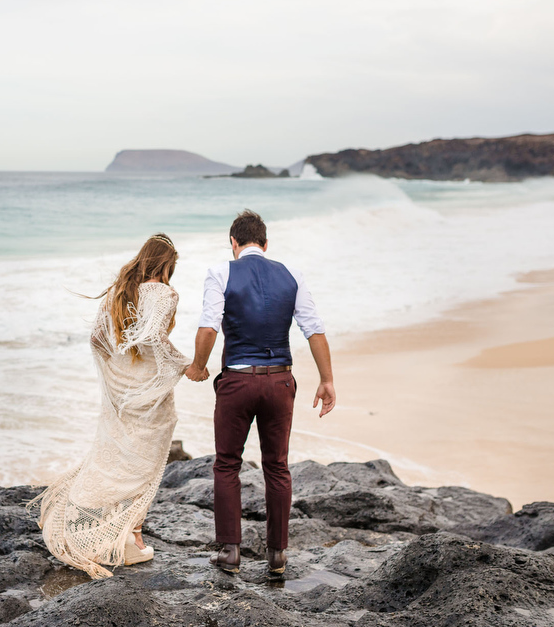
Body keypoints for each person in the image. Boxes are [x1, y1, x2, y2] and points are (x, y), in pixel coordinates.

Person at [184, 210, 335, 575]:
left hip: (237, 382)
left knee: (227, 464)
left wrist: (198, 366)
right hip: (280, 382)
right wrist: (327, 380)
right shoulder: (291, 274)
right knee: (277, 467)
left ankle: (230, 553)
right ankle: (277, 555)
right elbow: (313, 330)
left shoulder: (221, 272)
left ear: (233, 243)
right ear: (265, 244)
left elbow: (208, 327)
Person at [30, 234, 190, 579]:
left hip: (122, 390)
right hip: (149, 391)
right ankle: (131, 539)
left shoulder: (120, 292)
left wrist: (114, 376)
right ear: (166, 265)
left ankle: (94, 526)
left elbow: (97, 340)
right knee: (145, 464)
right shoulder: (164, 293)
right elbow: (155, 339)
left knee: (115, 456)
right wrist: (185, 365)